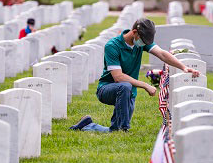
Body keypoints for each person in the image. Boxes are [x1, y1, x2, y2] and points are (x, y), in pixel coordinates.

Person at [70, 18, 200, 132]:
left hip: (128, 93)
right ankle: (125, 129)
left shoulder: (140, 44)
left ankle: (88, 125)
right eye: (143, 40)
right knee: (124, 87)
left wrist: (183, 67)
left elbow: (162, 54)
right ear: (134, 33)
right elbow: (118, 77)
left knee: (114, 129)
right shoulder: (112, 46)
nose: (144, 44)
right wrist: (144, 85)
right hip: (107, 89)